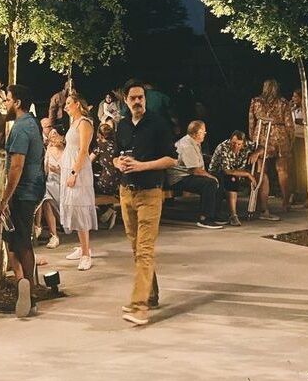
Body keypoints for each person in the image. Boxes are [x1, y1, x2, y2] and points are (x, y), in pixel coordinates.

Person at [114, 80, 177, 326]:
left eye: (141, 97)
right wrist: (118, 164)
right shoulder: (122, 125)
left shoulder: (158, 124)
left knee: (145, 250)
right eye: (133, 98)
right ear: (126, 100)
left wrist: (143, 166)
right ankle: (150, 295)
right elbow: (116, 155)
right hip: (126, 192)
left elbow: (172, 159)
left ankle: (139, 307)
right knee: (136, 248)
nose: (138, 101)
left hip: (150, 193)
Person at [0, 84, 45, 319]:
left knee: (15, 241)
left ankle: (22, 284)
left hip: (21, 192)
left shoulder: (20, 128)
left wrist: (5, 199)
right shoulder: (33, 124)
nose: (5, 103)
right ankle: (28, 291)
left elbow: (16, 166)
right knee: (21, 241)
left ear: (17, 103)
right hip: (34, 189)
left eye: (7, 99)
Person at [60, 93, 98, 270]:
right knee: (74, 207)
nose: (66, 106)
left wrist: (74, 173)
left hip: (79, 170)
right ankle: (83, 247)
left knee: (80, 207)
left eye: (69, 103)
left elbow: (83, 150)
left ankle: (86, 254)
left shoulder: (84, 123)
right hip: (69, 166)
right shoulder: (74, 122)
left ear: (77, 104)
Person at [167, 120, 226, 229]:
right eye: (203, 132)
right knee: (210, 183)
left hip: (189, 174)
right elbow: (195, 170)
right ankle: (205, 218)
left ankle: (215, 214)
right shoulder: (187, 145)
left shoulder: (194, 142)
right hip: (180, 178)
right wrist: (211, 177)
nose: (205, 134)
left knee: (219, 177)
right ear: (195, 134)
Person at [209, 131, 275, 225]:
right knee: (232, 179)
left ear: (243, 144)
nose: (235, 146)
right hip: (220, 174)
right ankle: (233, 215)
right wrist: (248, 174)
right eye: (233, 143)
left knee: (263, 177)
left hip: (239, 172)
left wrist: (256, 153)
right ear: (230, 140)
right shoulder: (223, 147)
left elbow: (261, 147)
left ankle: (264, 211)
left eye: (239, 144)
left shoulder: (247, 144)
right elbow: (227, 171)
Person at [248, 79, 295, 212]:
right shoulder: (283, 102)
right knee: (282, 170)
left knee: (262, 169)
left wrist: (253, 138)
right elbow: (289, 124)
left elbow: (251, 121)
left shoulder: (256, 101)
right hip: (280, 135)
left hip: (261, 135)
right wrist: (290, 140)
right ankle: (286, 202)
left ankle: (263, 204)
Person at [92, 121, 119, 229]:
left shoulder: (100, 147)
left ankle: (106, 210)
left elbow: (87, 161)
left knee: (90, 185)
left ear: (99, 135)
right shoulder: (117, 146)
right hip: (119, 183)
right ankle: (109, 209)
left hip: (107, 183)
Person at [40, 127, 64, 248]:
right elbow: (45, 168)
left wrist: (60, 171)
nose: (53, 138)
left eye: (56, 135)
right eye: (52, 136)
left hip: (63, 183)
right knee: (46, 199)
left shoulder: (67, 150)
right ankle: (53, 235)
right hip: (50, 182)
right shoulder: (49, 150)